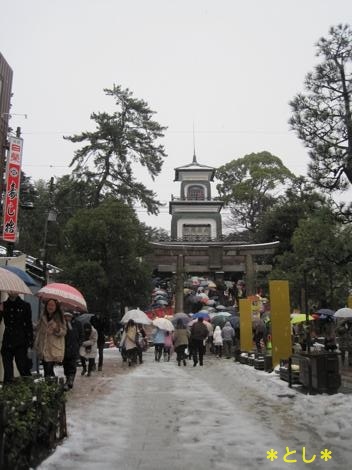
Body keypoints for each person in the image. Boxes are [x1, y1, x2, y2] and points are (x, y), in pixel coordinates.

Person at [0, 292, 34, 383]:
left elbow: (28, 325)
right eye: (10, 290)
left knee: (23, 368)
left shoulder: (25, 305)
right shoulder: (3, 305)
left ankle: (29, 390)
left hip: (21, 342)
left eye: (14, 291)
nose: (12, 292)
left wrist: (30, 342)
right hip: (7, 341)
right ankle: (8, 392)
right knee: (7, 371)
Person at [34, 298, 67, 378]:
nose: (50, 307)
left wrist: (56, 329)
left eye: (52, 305)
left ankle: (51, 387)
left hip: (53, 347)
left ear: (56, 307)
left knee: (49, 368)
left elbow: (64, 332)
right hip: (43, 346)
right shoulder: (43, 316)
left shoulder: (60, 318)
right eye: (48, 305)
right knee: (46, 369)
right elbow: (37, 327)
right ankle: (51, 386)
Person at [62, 312, 83, 390]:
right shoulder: (62, 323)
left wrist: (78, 344)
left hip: (74, 348)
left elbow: (81, 335)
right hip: (64, 348)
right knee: (66, 365)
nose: (67, 317)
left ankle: (70, 380)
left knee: (72, 365)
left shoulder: (77, 324)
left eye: (69, 316)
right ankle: (68, 380)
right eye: (65, 316)